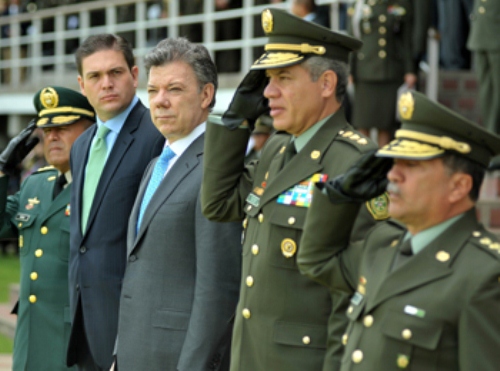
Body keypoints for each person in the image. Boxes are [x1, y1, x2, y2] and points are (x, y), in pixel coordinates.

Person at [201, 8, 386, 371]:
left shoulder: (355, 163)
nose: (268, 91)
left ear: (327, 84)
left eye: (283, 77)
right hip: (252, 356)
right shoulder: (277, 148)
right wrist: (235, 123)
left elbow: (359, 289)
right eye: (268, 78)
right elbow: (219, 204)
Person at [298, 90, 500, 370]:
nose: (393, 174)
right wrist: (339, 197)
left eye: (412, 165)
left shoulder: (485, 275)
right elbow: (316, 261)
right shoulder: (383, 243)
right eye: (394, 162)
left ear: (459, 187)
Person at [114, 37, 242, 371]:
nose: (160, 101)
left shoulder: (217, 169)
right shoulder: (158, 163)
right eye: (153, 90)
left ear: (206, 95)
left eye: (174, 89)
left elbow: (217, 288)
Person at [67, 34, 164, 371]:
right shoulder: (81, 146)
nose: (106, 83)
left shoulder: (158, 135)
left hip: (132, 326)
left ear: (135, 75)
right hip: (84, 322)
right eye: (94, 76)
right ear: (82, 84)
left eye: (116, 72)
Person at [0, 86, 95, 371]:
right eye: (47, 127)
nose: (52, 135)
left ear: (90, 130)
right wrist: (3, 169)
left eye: (63, 126)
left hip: (72, 344)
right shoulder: (36, 183)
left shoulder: (100, 185)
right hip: (31, 338)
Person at [347, 0, 417, 147]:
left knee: (385, 125)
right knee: (363, 124)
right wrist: (349, 69)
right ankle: (363, 163)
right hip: (364, 72)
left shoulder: (400, 4)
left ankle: (382, 166)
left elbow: (406, 39)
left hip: (390, 71)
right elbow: (352, 38)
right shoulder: (360, 5)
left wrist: (410, 69)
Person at [467, 0, 500, 135]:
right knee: (485, 87)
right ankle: (489, 128)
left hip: (496, 35)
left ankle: (494, 129)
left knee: (497, 87)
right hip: (480, 34)